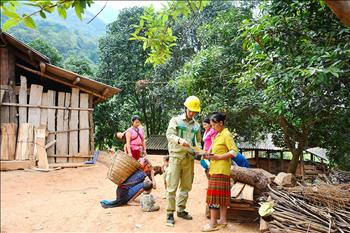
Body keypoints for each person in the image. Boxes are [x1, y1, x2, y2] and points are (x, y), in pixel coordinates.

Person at [165, 96, 202, 227]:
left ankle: (181, 210)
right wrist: (179, 140)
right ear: (185, 108)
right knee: (172, 186)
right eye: (190, 110)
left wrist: (199, 151)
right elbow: (169, 135)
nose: (192, 113)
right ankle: (170, 213)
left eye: (194, 112)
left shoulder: (197, 125)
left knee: (186, 186)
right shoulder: (175, 120)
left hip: (189, 159)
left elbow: (198, 142)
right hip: (175, 157)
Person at [202, 112, 238, 232]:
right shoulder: (218, 135)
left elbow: (234, 152)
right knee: (222, 198)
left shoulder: (226, 135)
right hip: (217, 169)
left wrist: (219, 157)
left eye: (214, 125)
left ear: (221, 123)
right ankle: (222, 221)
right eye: (211, 125)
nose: (212, 127)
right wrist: (208, 155)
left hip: (220, 170)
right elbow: (215, 151)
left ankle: (213, 224)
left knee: (213, 197)